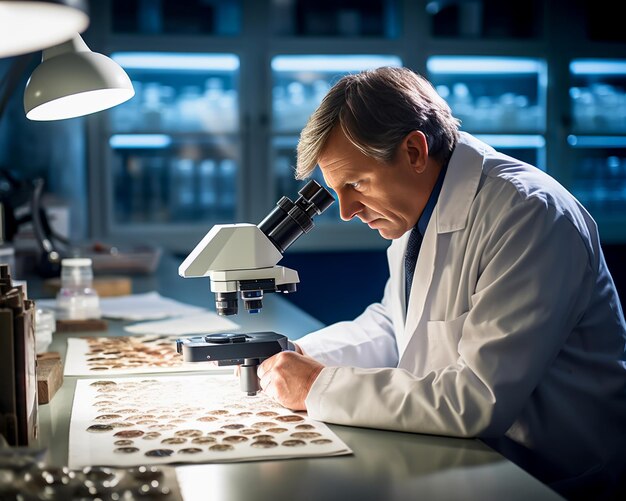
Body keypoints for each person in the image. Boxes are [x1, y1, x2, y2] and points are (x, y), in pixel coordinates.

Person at [256, 66, 626, 498]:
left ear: (414, 151)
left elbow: (476, 398)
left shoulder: (529, 215)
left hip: (551, 477)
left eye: (356, 183)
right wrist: (299, 354)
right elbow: (398, 325)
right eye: (338, 190)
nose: (347, 210)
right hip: (470, 460)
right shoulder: (417, 207)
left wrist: (318, 386)